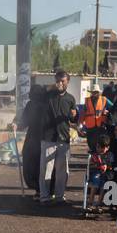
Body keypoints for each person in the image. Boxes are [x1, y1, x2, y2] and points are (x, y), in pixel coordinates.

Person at [39, 71, 78, 205]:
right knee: (46, 170)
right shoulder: (47, 96)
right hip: (48, 137)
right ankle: (44, 196)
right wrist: (51, 86)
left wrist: (74, 115)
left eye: (63, 81)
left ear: (68, 82)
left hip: (64, 138)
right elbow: (37, 92)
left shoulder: (71, 99)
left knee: (62, 171)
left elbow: (74, 119)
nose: (60, 83)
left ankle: (60, 196)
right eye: (58, 81)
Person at [20, 82, 50, 194]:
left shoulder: (47, 104)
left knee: (40, 165)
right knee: (32, 164)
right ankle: (38, 188)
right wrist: (16, 124)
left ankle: (42, 189)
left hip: (43, 138)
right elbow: (24, 121)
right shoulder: (30, 105)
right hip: (33, 139)